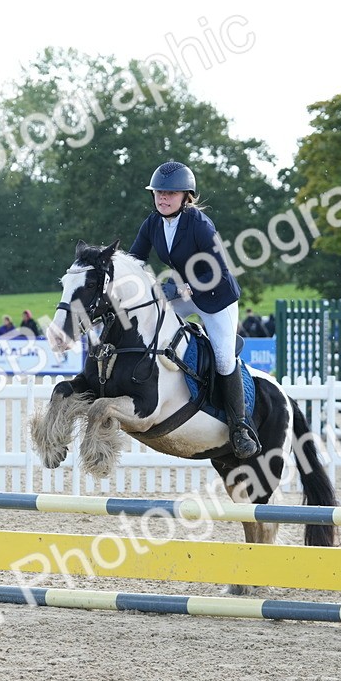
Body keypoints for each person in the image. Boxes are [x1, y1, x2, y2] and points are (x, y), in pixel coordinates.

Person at [129, 160, 258, 459]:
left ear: (186, 196)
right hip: (185, 292)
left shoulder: (199, 224)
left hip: (217, 297)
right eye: (159, 192)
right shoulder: (152, 223)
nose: (163, 198)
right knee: (153, 325)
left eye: (170, 193)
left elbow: (218, 270)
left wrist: (180, 288)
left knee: (224, 358)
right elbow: (134, 259)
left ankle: (240, 427)